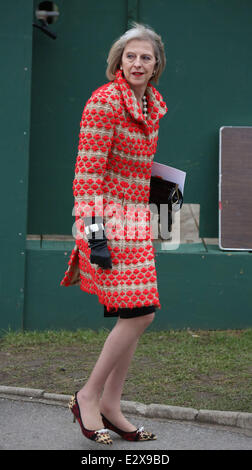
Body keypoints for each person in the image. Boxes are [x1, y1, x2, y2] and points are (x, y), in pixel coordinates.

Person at [60, 22, 167, 445]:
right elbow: (87, 173)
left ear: (156, 63)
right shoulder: (104, 103)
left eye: (145, 56)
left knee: (136, 314)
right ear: (118, 61)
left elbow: (139, 169)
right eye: (130, 56)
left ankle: (111, 404)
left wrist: (162, 205)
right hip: (109, 222)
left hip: (137, 222)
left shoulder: (152, 105)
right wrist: (95, 233)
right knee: (141, 312)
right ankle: (89, 396)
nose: (137, 63)